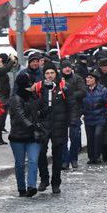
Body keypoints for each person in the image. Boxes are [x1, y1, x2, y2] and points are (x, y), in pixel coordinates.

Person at [35, 63, 74, 194]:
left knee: (57, 155)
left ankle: (56, 183)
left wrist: (72, 121)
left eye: (52, 73)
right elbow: (33, 105)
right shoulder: (40, 87)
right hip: (44, 125)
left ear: (56, 74)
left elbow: (71, 105)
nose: (49, 75)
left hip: (60, 125)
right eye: (47, 73)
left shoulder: (63, 87)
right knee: (40, 152)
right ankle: (44, 179)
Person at [8, 71, 42, 197]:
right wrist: (33, 126)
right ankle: (21, 188)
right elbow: (20, 116)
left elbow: (42, 110)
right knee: (20, 164)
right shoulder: (16, 98)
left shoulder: (35, 96)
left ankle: (31, 186)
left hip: (33, 135)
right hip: (18, 135)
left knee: (33, 161)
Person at [81, 70, 107, 165]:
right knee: (90, 138)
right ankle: (91, 157)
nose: (88, 79)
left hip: (100, 117)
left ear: (96, 80)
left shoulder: (103, 90)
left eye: (90, 78)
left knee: (98, 136)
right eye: (87, 77)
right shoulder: (84, 90)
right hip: (88, 118)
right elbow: (81, 104)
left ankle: (97, 156)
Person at [59, 59, 85, 170]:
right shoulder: (59, 79)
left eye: (69, 66)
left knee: (75, 136)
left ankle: (74, 158)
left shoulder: (77, 78)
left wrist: (70, 95)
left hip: (75, 110)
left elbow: (83, 91)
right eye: (65, 67)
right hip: (61, 111)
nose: (67, 68)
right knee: (63, 138)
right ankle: (65, 160)